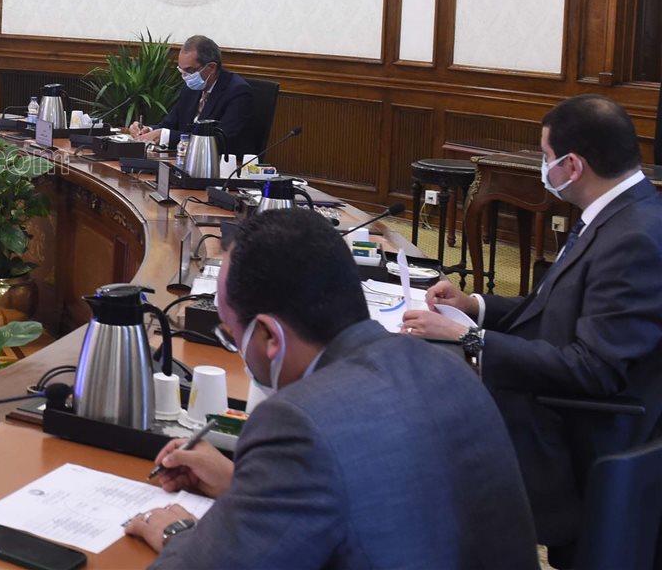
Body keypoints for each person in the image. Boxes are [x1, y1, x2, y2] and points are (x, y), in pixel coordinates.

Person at [125, 208, 538, 568]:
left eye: (232, 335)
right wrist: (243, 486)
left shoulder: (296, 422)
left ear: (269, 336)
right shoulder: (450, 368)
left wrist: (178, 533)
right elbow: (378, 493)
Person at [401, 93, 662, 554]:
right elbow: (557, 304)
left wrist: (470, 337)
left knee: (425, 430)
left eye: (546, 157)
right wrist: (475, 305)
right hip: (556, 399)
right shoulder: (619, 212)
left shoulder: (635, 238)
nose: (545, 168)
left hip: (576, 435)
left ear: (573, 166)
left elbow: (594, 370)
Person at [127, 35, 252, 150]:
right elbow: (169, 124)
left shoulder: (237, 92)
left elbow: (219, 140)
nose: (185, 77)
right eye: (182, 70)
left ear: (211, 67)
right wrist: (148, 130)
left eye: (190, 70)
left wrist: (164, 136)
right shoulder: (190, 89)